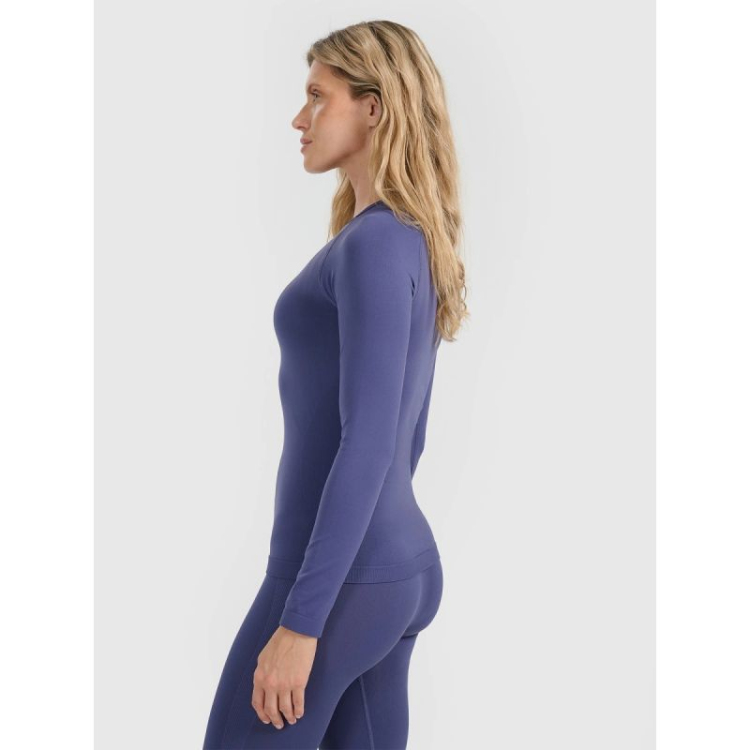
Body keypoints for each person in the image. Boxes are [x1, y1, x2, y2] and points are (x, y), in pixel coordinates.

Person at [203, 19, 469, 749]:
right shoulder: (409, 239)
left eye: (318, 96)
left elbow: (372, 442)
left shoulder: (376, 244)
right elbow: (410, 436)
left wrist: (301, 620)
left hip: (340, 581)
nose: (300, 118)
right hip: (394, 566)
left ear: (373, 108)